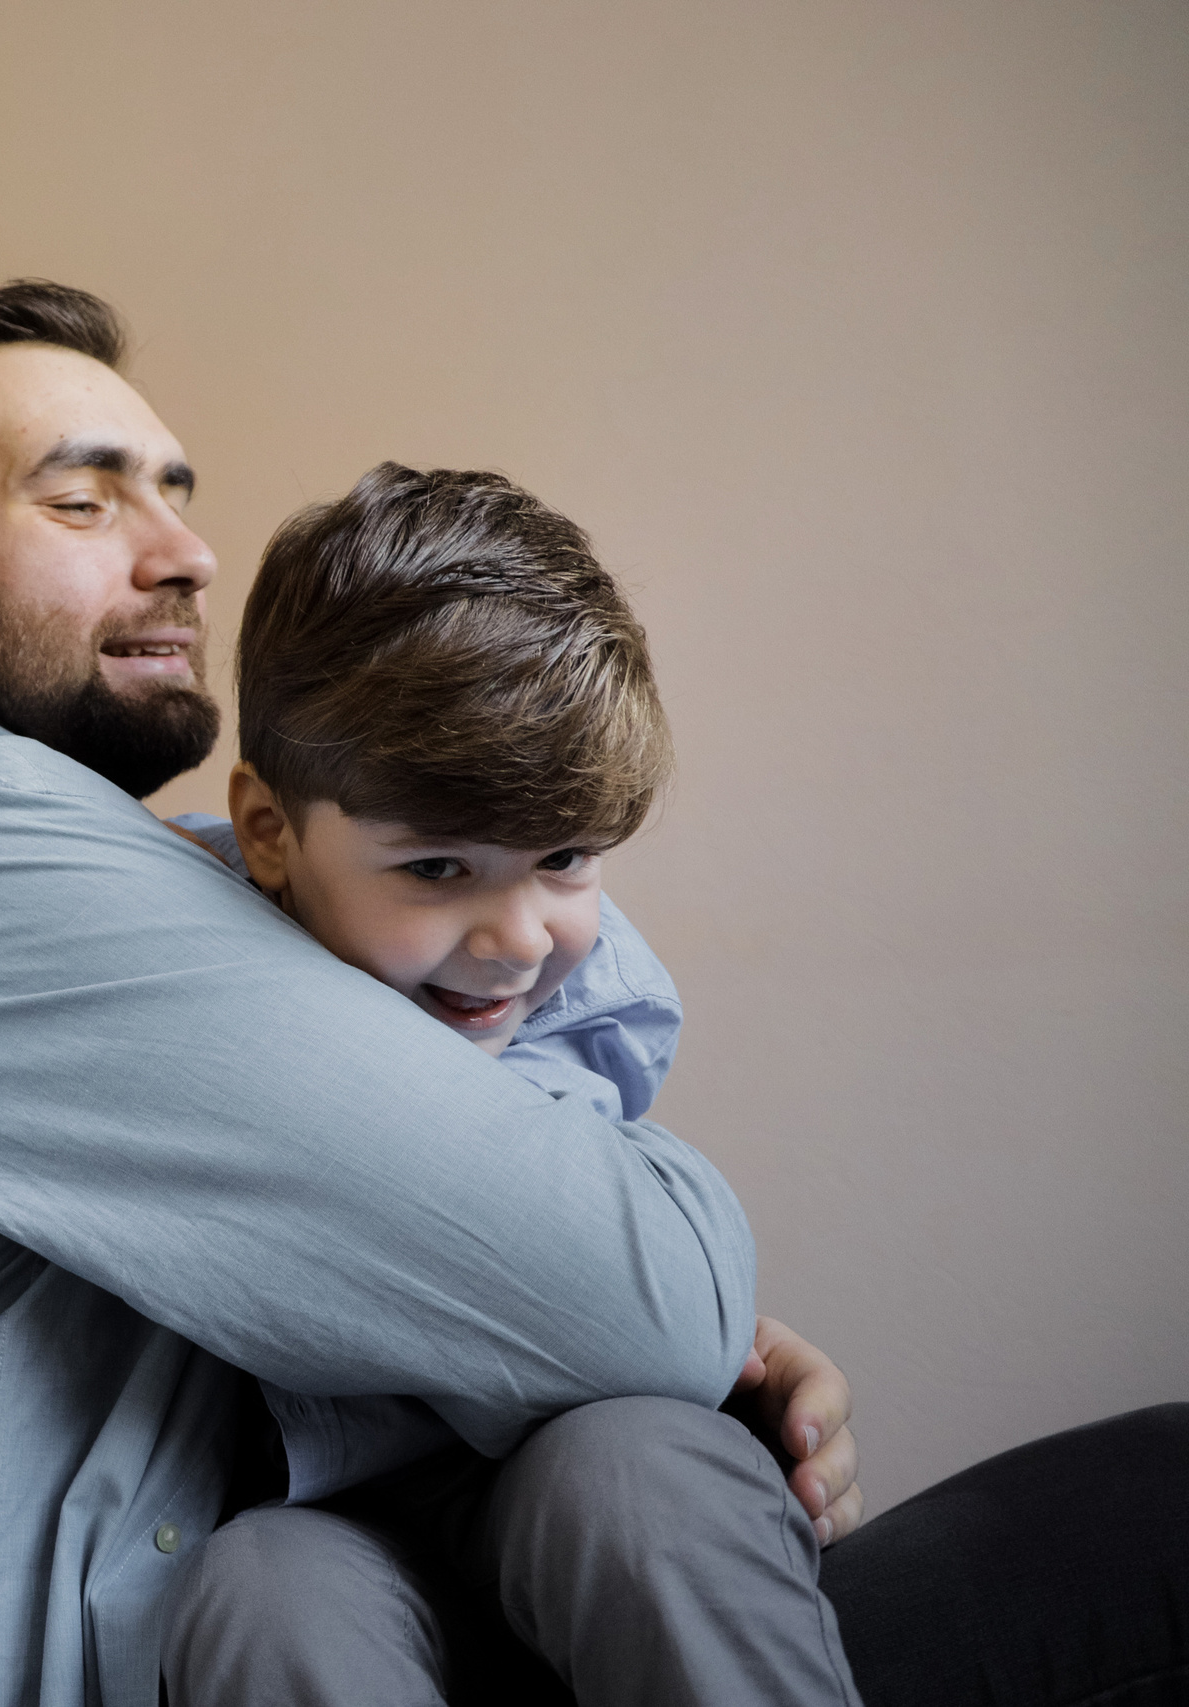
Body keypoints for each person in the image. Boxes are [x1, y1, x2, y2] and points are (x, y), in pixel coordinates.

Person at [0, 280, 1189, 1707]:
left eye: (178, 492)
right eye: (84, 494)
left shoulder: (156, 873)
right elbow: (640, 1289)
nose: (181, 551)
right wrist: (697, 1304)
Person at [159, 466, 855, 1704]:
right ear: (267, 833)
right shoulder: (191, 962)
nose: (520, 937)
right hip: (315, 1502)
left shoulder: (585, 1009)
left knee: (642, 1473)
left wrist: (732, 1351)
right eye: (436, 868)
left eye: (566, 860)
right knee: (257, 1589)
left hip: (557, 1459)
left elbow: (592, 1253)